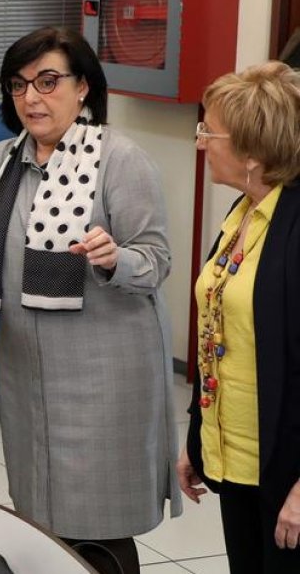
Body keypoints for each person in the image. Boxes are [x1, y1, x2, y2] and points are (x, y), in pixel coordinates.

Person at [0, 26, 179, 574]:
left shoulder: (120, 159)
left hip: (104, 372)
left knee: (98, 523)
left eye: (48, 81)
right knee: (40, 514)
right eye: (19, 86)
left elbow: (156, 261)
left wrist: (115, 259)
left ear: (83, 86)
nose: (32, 98)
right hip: (25, 368)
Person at [176, 61, 300, 573]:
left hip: (287, 470)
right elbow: (216, 335)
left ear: (252, 151)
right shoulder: (243, 212)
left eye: (210, 131)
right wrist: (195, 439)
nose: (202, 141)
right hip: (236, 457)